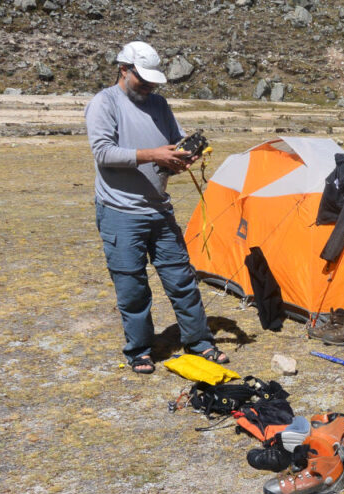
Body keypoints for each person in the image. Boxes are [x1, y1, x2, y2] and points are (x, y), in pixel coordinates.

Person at [85, 41, 228, 374]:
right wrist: (153, 154)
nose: (149, 86)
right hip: (120, 212)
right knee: (132, 286)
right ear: (124, 69)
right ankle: (139, 350)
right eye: (143, 79)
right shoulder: (103, 103)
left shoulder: (159, 104)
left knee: (181, 279)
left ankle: (200, 342)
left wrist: (181, 158)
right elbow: (103, 153)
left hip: (159, 210)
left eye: (153, 81)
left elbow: (173, 141)